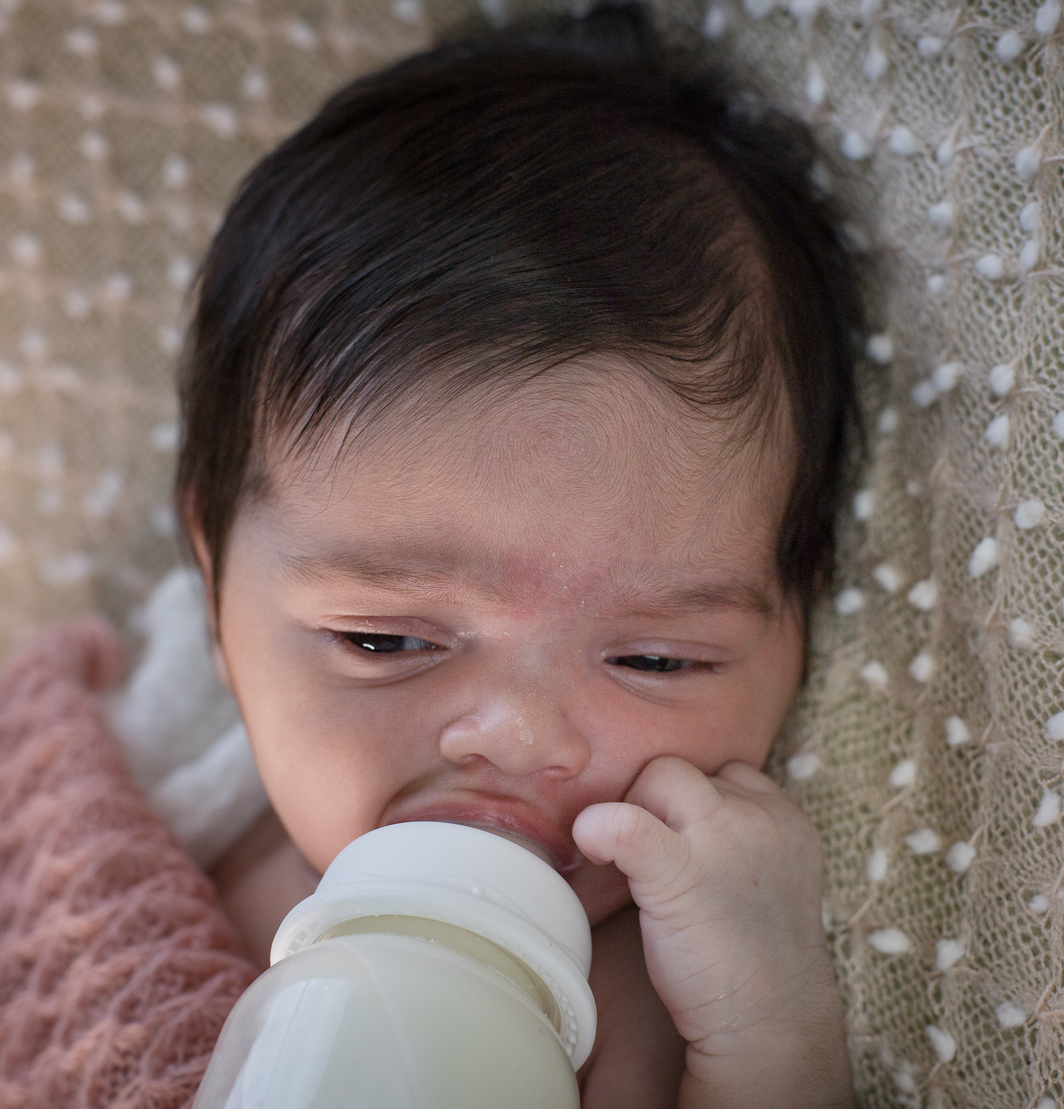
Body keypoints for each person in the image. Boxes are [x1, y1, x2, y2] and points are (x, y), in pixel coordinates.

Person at [177, 5, 862, 1106]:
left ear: (803, 624)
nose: (517, 737)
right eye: (383, 639)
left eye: (656, 659)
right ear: (213, 587)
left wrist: (773, 1037)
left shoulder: (651, 997)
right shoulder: (134, 842)